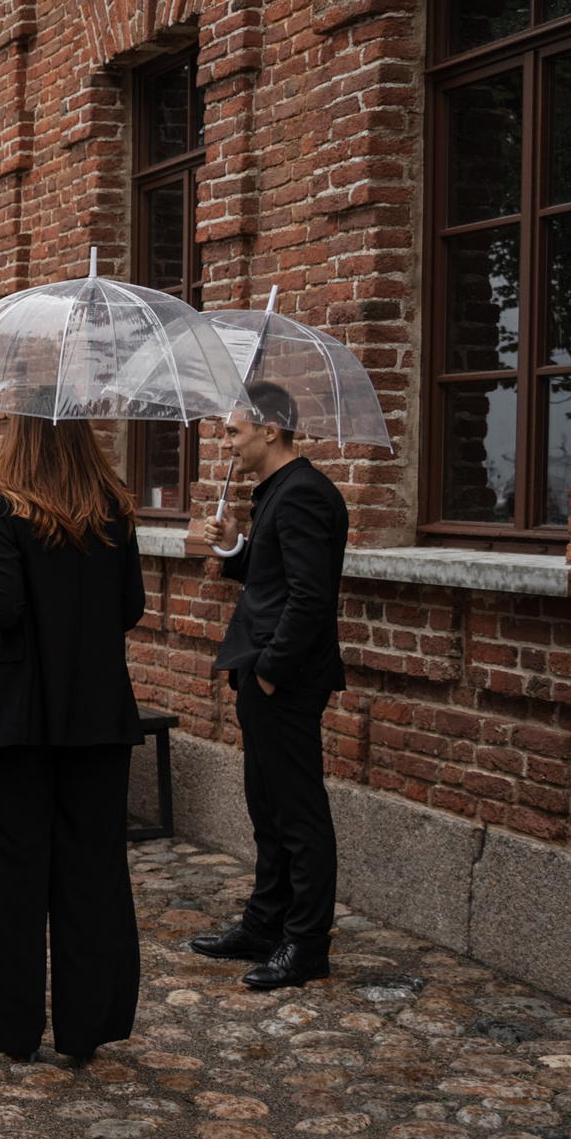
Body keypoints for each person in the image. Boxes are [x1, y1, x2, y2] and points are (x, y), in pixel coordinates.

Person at [0, 418, 146, 1061]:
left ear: (21, 442)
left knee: (12, 876)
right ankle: (86, 1028)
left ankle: (13, 1031)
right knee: (93, 874)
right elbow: (131, 606)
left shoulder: (5, 507)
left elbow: (5, 610)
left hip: (21, 718)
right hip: (96, 713)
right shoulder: (115, 511)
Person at [189, 381, 348, 992]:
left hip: (283, 678)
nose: (226, 443)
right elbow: (275, 575)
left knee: (298, 814)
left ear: (269, 430)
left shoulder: (304, 493)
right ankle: (265, 923)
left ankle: (305, 945)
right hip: (263, 671)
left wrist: (271, 672)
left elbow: (311, 598)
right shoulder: (280, 491)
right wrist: (235, 545)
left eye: (232, 431)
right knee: (267, 808)